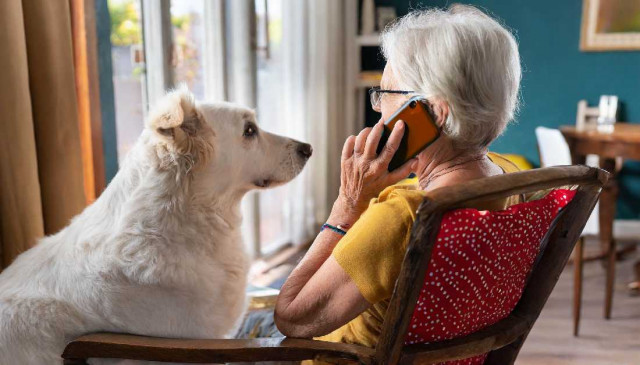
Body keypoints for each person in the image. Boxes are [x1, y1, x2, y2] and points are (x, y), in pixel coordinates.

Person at [274, 4, 523, 355]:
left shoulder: (404, 215)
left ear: (433, 112)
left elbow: (292, 318)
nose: (379, 108)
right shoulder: (513, 181)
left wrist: (347, 206)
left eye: (387, 94)